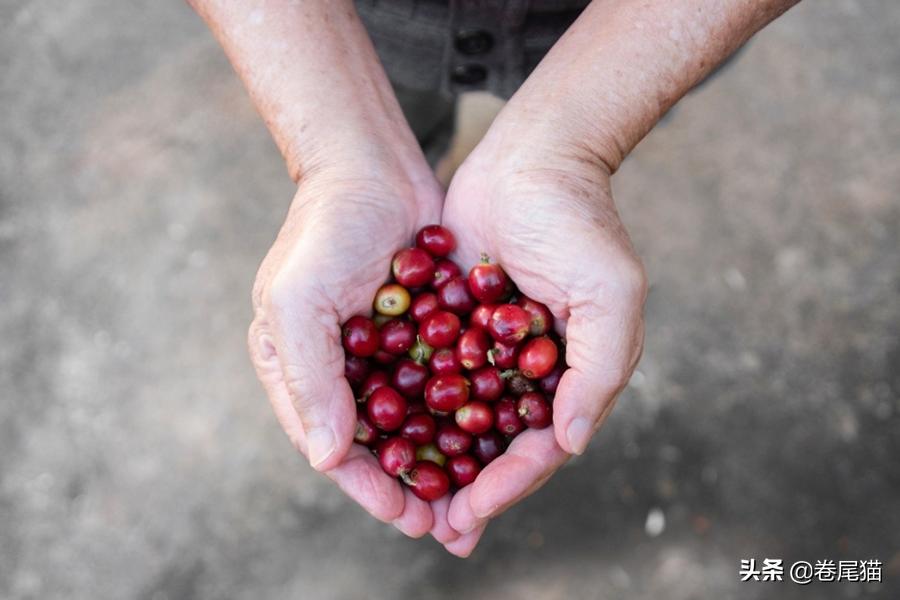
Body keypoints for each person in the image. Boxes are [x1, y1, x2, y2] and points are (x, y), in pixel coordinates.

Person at [190, 0, 799, 557]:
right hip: (363, 29)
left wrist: (573, 146)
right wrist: (342, 157)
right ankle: (421, 159)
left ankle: (477, 158)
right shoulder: (462, 357)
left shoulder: (456, 351)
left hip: (641, 31)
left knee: (598, 123)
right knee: (406, 112)